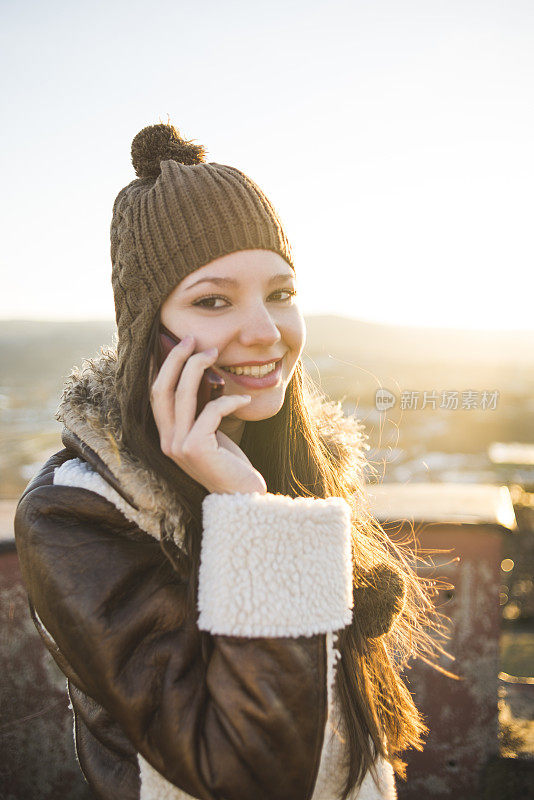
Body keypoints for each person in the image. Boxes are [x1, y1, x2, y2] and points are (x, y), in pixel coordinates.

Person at [14, 122, 438, 800]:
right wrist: (246, 508)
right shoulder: (78, 513)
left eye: (279, 293)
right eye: (212, 300)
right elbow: (251, 780)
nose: (266, 332)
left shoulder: (303, 460)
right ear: (149, 329)